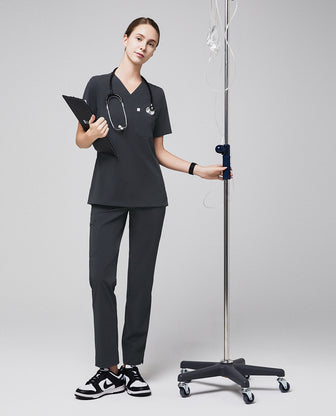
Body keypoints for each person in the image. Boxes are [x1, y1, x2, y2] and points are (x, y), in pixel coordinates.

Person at [74, 17, 233, 400]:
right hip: (108, 194)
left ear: (154, 51)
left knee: (141, 282)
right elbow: (81, 140)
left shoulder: (155, 95)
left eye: (152, 43)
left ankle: (131, 366)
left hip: (149, 198)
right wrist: (91, 134)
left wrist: (198, 169)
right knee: (101, 279)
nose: (143, 46)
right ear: (125, 38)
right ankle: (106, 368)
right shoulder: (98, 86)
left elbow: (159, 152)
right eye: (139, 38)